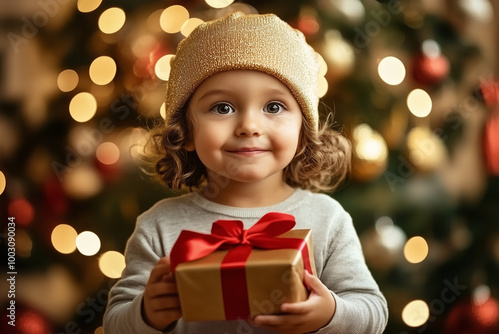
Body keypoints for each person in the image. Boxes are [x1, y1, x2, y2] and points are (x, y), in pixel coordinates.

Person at [104, 11, 388, 334]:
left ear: (303, 130)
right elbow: (115, 325)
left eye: (274, 107)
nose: (249, 127)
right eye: (222, 108)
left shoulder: (328, 220)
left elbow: (373, 312)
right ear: (185, 130)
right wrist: (146, 313)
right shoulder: (159, 227)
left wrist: (331, 313)